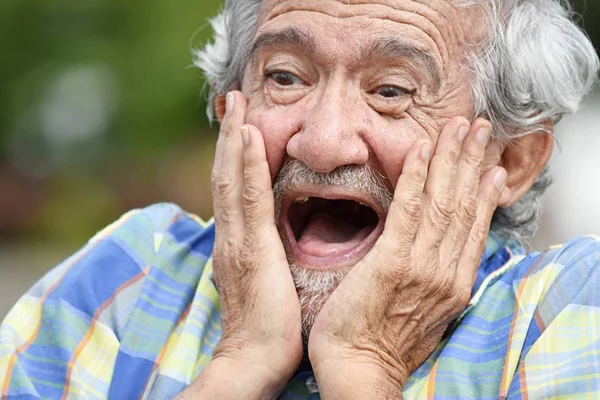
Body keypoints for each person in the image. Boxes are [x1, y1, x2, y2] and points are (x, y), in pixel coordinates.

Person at [1, 0, 599, 398]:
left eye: (391, 89)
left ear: (512, 160)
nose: (322, 142)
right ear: (227, 112)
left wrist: (364, 364)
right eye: (285, 77)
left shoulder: (565, 313)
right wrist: (240, 364)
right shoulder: (120, 282)